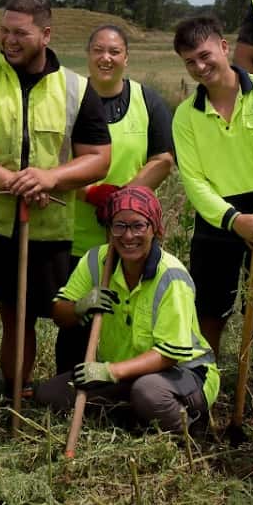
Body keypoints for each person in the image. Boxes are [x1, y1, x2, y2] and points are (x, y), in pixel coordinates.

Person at [0, 0, 111, 402]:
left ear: (46, 34)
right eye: (4, 31)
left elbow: (99, 159)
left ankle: (17, 390)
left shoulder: (76, 89)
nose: (9, 40)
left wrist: (49, 178)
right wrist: (13, 181)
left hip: (45, 226)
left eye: (20, 33)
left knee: (21, 314)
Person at [171, 16, 253, 368]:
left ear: (224, 47)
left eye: (204, 55)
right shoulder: (185, 115)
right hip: (219, 219)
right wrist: (234, 220)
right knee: (210, 309)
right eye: (190, 62)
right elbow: (194, 180)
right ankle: (203, 383)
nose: (199, 67)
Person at [39, 186, 218, 434]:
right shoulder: (95, 261)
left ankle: (189, 431)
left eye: (138, 226)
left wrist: (109, 371)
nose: (128, 236)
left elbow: (169, 354)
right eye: (119, 226)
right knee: (51, 395)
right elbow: (60, 313)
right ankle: (135, 420)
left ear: (154, 228)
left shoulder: (171, 276)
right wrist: (80, 306)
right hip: (126, 372)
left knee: (148, 392)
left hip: (181, 374)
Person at [56, 24, 175, 372]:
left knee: (127, 307)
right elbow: (55, 161)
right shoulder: (69, 98)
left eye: (114, 52)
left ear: (126, 57)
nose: (106, 58)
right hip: (76, 231)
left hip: (131, 233)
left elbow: (163, 159)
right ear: (87, 54)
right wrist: (91, 192)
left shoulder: (147, 100)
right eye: (98, 51)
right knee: (78, 309)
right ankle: (72, 378)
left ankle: (123, 375)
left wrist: (123, 202)